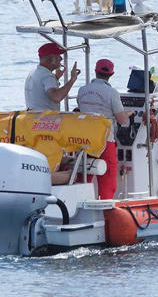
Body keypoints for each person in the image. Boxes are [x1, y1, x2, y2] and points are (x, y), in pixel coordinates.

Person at [76, 59, 134, 199]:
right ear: (111, 74)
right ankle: (107, 214)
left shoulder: (82, 90)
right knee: (107, 182)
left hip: (84, 141)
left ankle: (78, 207)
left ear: (95, 71)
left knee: (84, 178)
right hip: (105, 141)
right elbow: (122, 120)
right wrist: (130, 113)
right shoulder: (112, 93)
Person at [24, 43, 81, 111]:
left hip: (33, 117)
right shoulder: (47, 76)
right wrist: (72, 79)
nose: (61, 58)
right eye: (58, 55)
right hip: (44, 119)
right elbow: (56, 97)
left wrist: (56, 78)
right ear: (50, 59)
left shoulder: (33, 73)